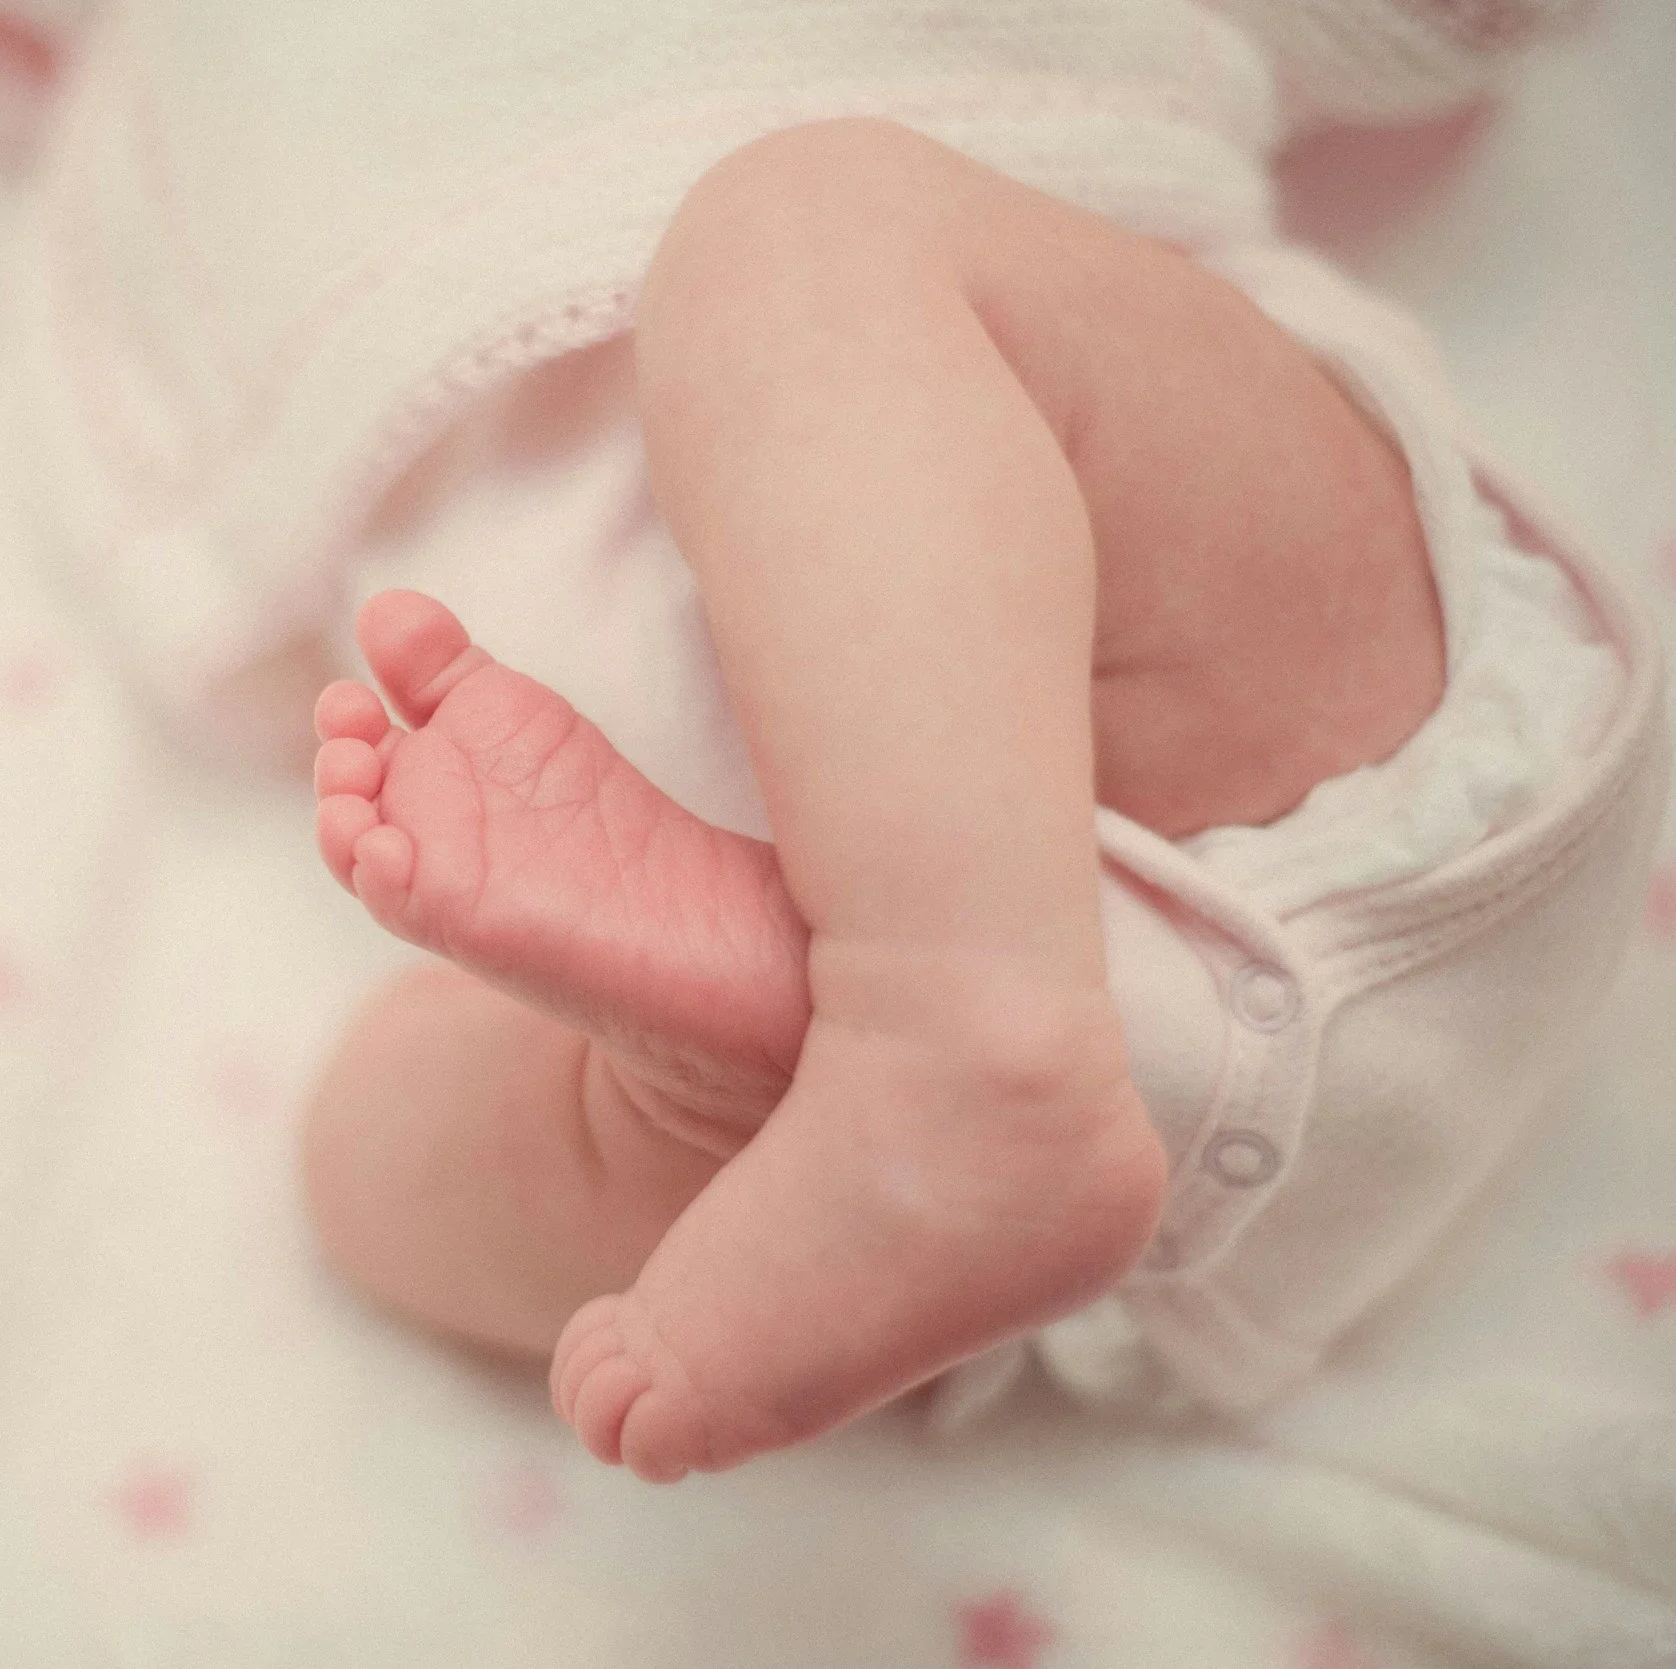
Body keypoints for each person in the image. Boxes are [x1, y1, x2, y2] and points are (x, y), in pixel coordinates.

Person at [297, 117, 1659, 1483]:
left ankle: (949, 1038)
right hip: (900, 1140)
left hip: (1231, 674)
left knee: (802, 234)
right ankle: (761, 1098)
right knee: (356, 1148)